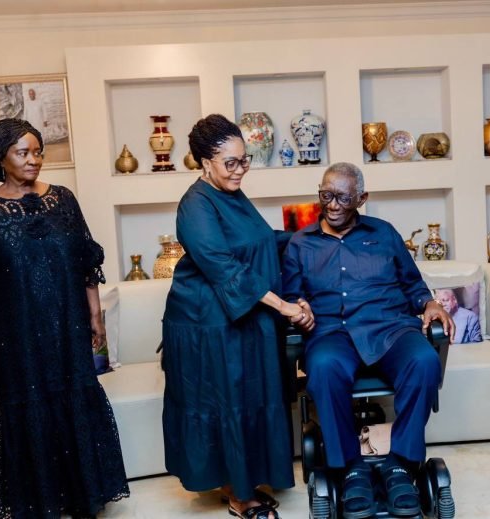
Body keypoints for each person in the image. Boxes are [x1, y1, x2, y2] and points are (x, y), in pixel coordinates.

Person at [0, 118, 129, 518]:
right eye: (23, 153)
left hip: (68, 328)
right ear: (1, 158)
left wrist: (96, 316)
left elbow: (87, 263)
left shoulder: (63, 200)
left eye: (37, 152)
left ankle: (83, 496)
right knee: (27, 406)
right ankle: (41, 499)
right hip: (17, 335)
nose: (34, 160)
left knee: (75, 400)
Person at [282, 162, 455, 519]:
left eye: (343, 198)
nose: (332, 205)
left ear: (362, 198)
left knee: (423, 360)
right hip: (332, 332)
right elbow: (291, 295)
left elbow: (413, 284)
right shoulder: (300, 242)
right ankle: (351, 469)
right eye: (325, 195)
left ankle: (400, 464)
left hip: (390, 327)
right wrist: (298, 308)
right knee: (324, 366)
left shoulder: (384, 233)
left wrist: (430, 304)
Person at [161, 114, 311, 519]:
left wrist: (310, 236)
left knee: (248, 400)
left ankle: (247, 482)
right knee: (225, 405)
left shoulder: (232, 194)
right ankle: (238, 495)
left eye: (244, 160)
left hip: (242, 318)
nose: (240, 169)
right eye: (231, 162)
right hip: (207, 324)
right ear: (205, 162)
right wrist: (284, 306)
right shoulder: (195, 205)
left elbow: (260, 242)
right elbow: (225, 268)